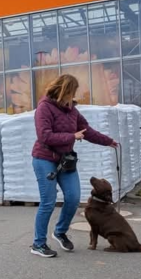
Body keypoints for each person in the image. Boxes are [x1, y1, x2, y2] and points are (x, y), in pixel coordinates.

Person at [31, 74, 117, 258]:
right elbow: (44, 136)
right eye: (72, 92)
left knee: (73, 197)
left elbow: (87, 131)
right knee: (48, 201)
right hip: (44, 158)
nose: (73, 96)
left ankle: (60, 231)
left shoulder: (72, 110)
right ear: (64, 90)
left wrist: (108, 141)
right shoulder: (44, 108)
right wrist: (72, 136)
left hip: (65, 160)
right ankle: (38, 244)